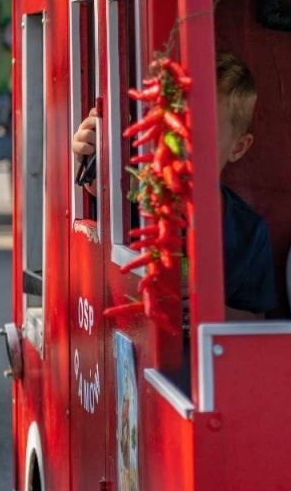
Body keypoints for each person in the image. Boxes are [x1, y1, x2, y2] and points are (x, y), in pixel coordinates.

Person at [71, 51, 276, 319]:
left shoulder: (248, 231)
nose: (180, 144)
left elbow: (257, 320)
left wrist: (213, 313)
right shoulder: (131, 196)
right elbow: (99, 189)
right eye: (171, 127)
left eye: (198, 134)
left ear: (237, 147)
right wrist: (87, 155)